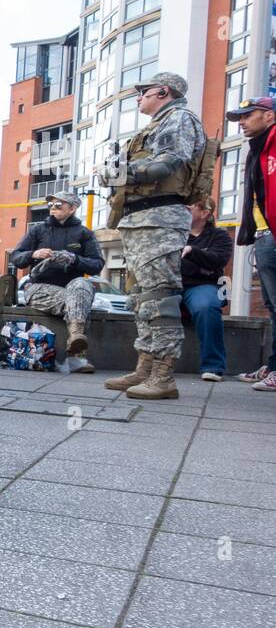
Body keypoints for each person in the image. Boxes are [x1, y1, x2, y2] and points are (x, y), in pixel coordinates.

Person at [104, 72, 206, 400]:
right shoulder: (159, 123)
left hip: (160, 218)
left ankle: (163, 375)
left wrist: (118, 173)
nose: (138, 98)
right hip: (142, 219)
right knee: (142, 298)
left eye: (143, 92)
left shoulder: (179, 119)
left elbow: (166, 165)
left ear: (162, 91)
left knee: (159, 296)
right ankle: (145, 367)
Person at [10, 190, 104, 372]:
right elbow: (16, 257)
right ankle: (77, 356)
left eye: (58, 205)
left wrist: (74, 259)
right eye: (50, 205)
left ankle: (76, 337)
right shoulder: (37, 230)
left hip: (72, 288)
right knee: (79, 300)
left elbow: (97, 264)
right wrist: (33, 254)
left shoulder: (85, 234)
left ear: (73, 208)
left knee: (82, 286)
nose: (53, 208)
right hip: (38, 289)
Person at [231, 96, 276, 391]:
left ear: (269, 116)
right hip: (265, 234)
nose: (242, 122)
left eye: (248, 115)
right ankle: (273, 366)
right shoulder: (257, 148)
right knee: (273, 306)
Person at [181, 197, 233, 381]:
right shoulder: (175, 233)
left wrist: (192, 252)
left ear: (205, 213)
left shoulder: (220, 236)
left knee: (206, 307)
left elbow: (218, 259)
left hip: (202, 285)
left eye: (191, 206)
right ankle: (149, 363)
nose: (185, 208)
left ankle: (213, 366)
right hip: (173, 285)